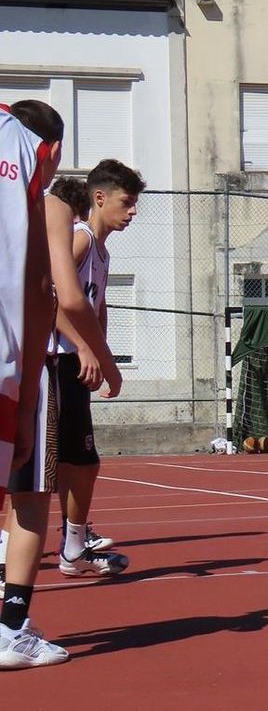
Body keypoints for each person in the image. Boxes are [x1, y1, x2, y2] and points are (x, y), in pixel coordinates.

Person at [0, 99, 65, 669]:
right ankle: (11, 624)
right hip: (19, 363)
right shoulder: (45, 203)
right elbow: (54, 293)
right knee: (31, 492)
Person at [54, 160, 143, 578]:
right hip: (52, 361)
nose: (132, 212)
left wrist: (104, 357)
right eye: (126, 203)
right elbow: (47, 295)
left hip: (74, 362)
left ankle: (74, 547)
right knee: (36, 470)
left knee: (82, 463)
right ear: (99, 197)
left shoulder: (101, 251)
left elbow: (97, 309)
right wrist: (81, 348)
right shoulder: (80, 240)